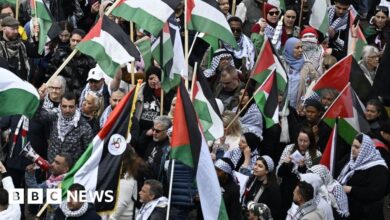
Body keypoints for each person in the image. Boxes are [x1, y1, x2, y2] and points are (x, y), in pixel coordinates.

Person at [337, 133, 389, 220]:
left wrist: (350, 189)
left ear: (366, 149)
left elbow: (376, 193)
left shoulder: (379, 168)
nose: (353, 149)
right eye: (353, 146)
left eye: (357, 147)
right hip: (351, 210)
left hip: (368, 214)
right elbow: (338, 169)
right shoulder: (351, 160)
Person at [35, 91, 93, 162]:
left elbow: (88, 152)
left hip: (70, 170)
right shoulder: (55, 117)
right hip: (51, 165)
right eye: (64, 106)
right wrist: (40, 100)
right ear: (60, 105)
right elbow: (37, 116)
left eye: (71, 107)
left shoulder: (84, 126)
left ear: (76, 106)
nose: (67, 110)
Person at [277, 126, 322, 218]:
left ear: (310, 141)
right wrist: (286, 164)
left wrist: (303, 167)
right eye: (300, 140)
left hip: (303, 195)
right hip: (286, 190)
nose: (302, 143)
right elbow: (279, 173)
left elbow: (315, 179)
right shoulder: (289, 149)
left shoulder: (316, 154)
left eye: (305, 141)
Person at [25, 153, 74, 220]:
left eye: (57, 163)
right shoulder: (52, 180)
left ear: (66, 169)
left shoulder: (68, 185)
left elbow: (59, 210)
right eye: (53, 161)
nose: (52, 164)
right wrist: (30, 174)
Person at [283, 37, 320, 110]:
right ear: (289, 49)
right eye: (297, 48)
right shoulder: (281, 63)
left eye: (301, 47)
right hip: (282, 107)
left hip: (299, 109)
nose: (301, 50)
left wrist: (305, 103)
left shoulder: (308, 66)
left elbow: (316, 85)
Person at [241, 156, 282, 220]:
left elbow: (273, 213)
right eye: (255, 164)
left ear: (267, 171)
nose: (255, 167)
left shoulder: (273, 189)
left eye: (260, 166)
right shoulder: (252, 179)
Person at [0, 16, 39, 80]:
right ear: (4, 29)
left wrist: (36, 37)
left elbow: (38, 53)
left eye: (17, 28)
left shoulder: (22, 44)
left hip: (20, 84)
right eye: (13, 29)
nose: (16, 31)